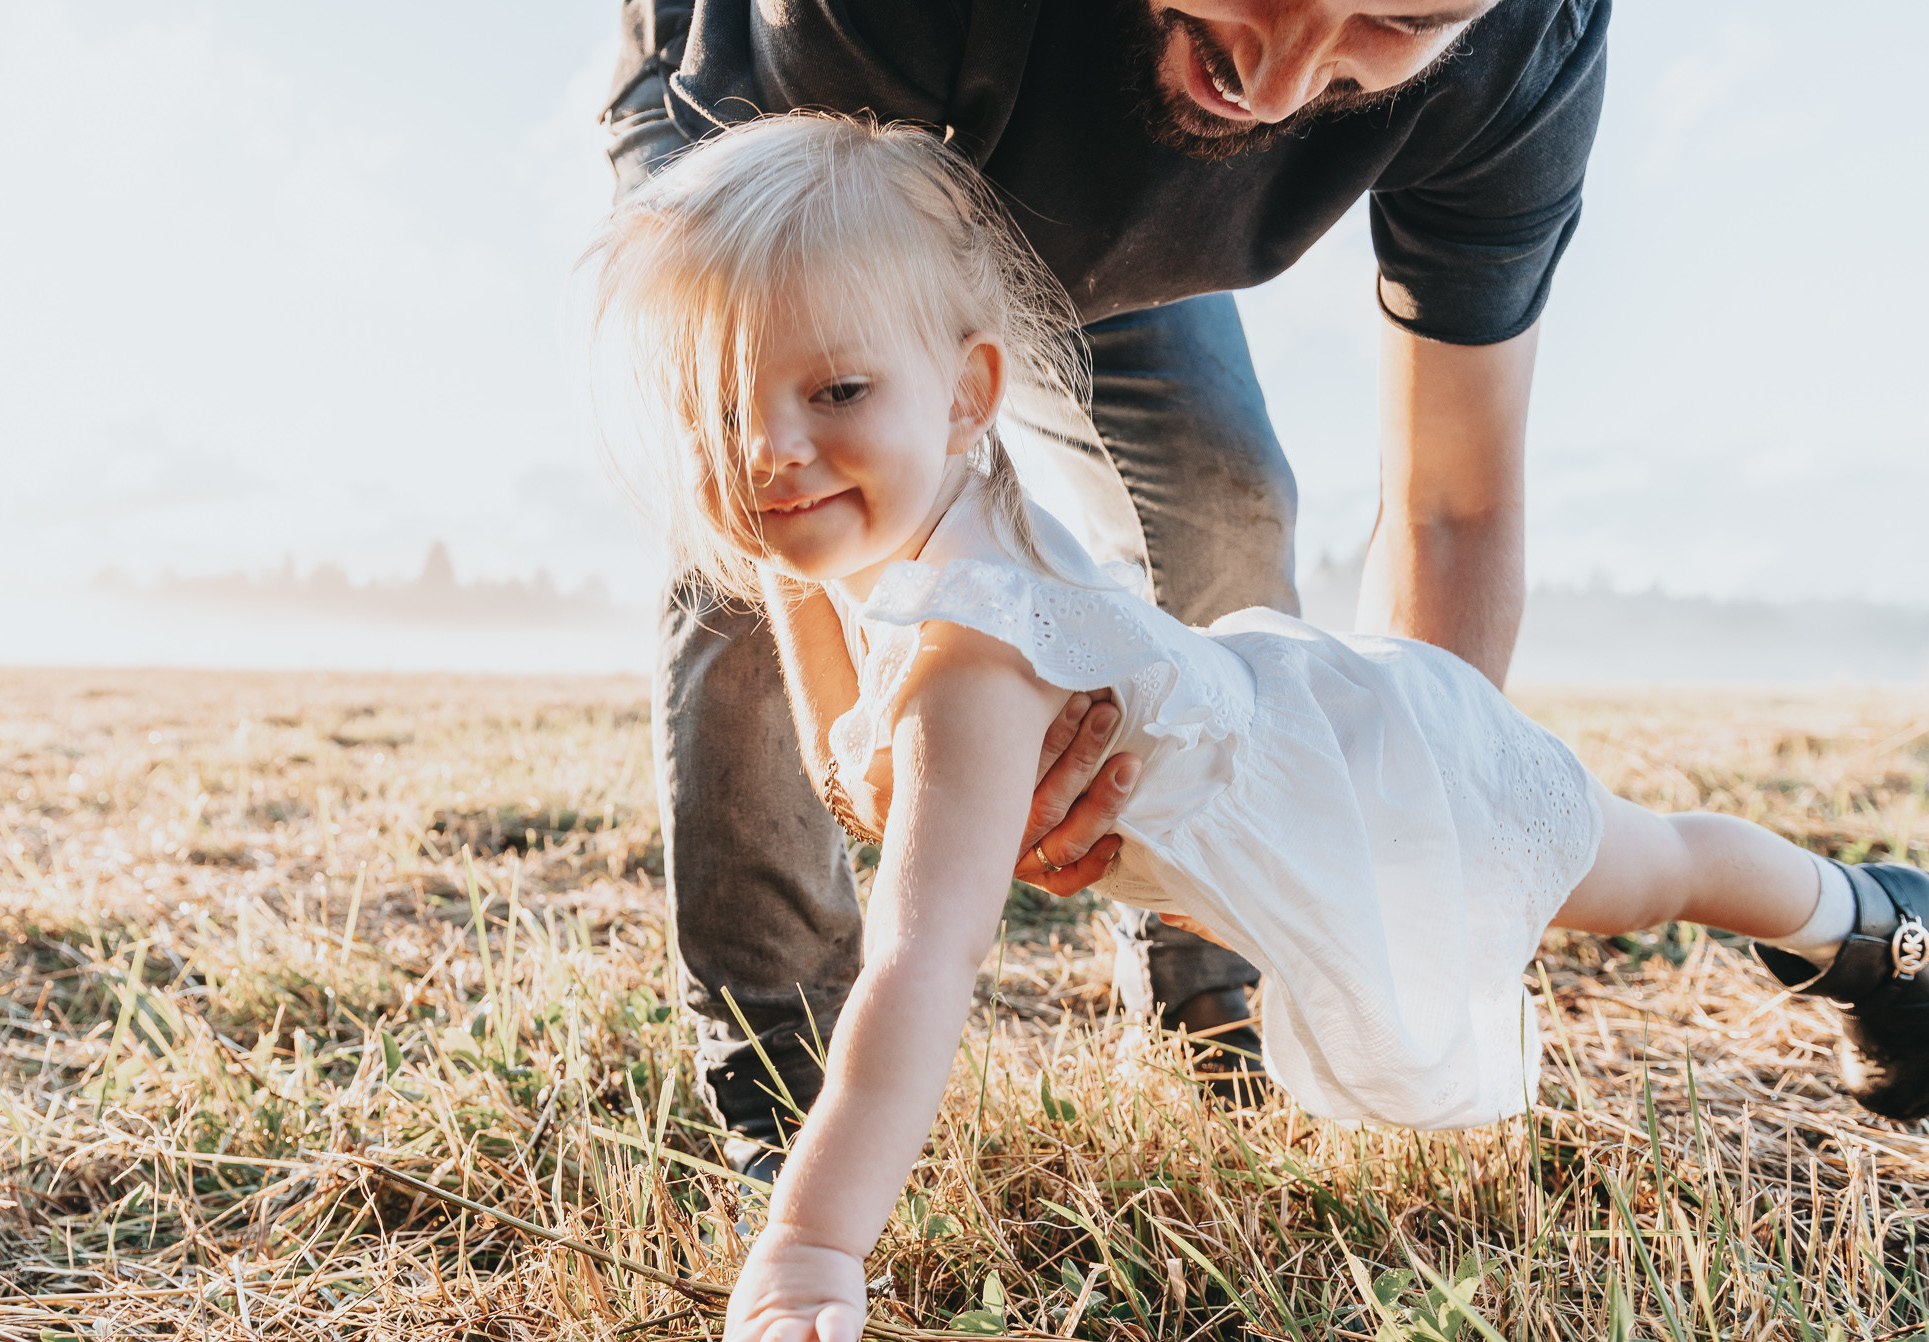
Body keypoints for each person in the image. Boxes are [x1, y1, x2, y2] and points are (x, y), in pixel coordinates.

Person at [583, 113, 1929, 1342]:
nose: (769, 449)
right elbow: (852, 752)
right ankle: (1873, 920)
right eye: (721, 409)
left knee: (1648, 876)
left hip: (1377, 777)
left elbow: (919, 962)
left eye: (833, 394)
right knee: (1644, 873)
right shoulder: (913, 533)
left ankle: (1890, 924)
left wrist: (814, 1246)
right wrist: (786, 557)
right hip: (1295, 754)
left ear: (968, 393)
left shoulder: (970, 653)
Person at [604, 0, 1613, 1173]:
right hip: (783, 146)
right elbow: (783, 492)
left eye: (1395, 18)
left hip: (1115, 180)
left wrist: (1392, 849)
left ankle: (1207, 994)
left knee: (1224, 485)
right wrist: (866, 742)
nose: (1279, 85)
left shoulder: (1525, 48)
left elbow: (1456, 506)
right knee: (772, 477)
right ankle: (784, 1080)